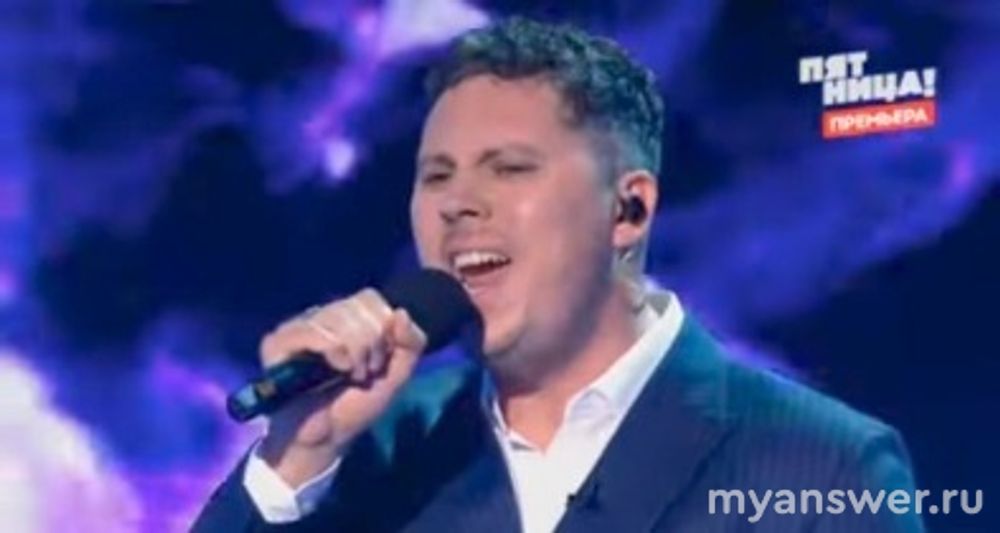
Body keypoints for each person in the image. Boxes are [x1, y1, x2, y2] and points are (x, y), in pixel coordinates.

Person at [194, 17, 923, 532]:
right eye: (436, 176)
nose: (457, 204)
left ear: (628, 210)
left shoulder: (822, 466)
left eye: (509, 169)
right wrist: (296, 460)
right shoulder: (380, 446)